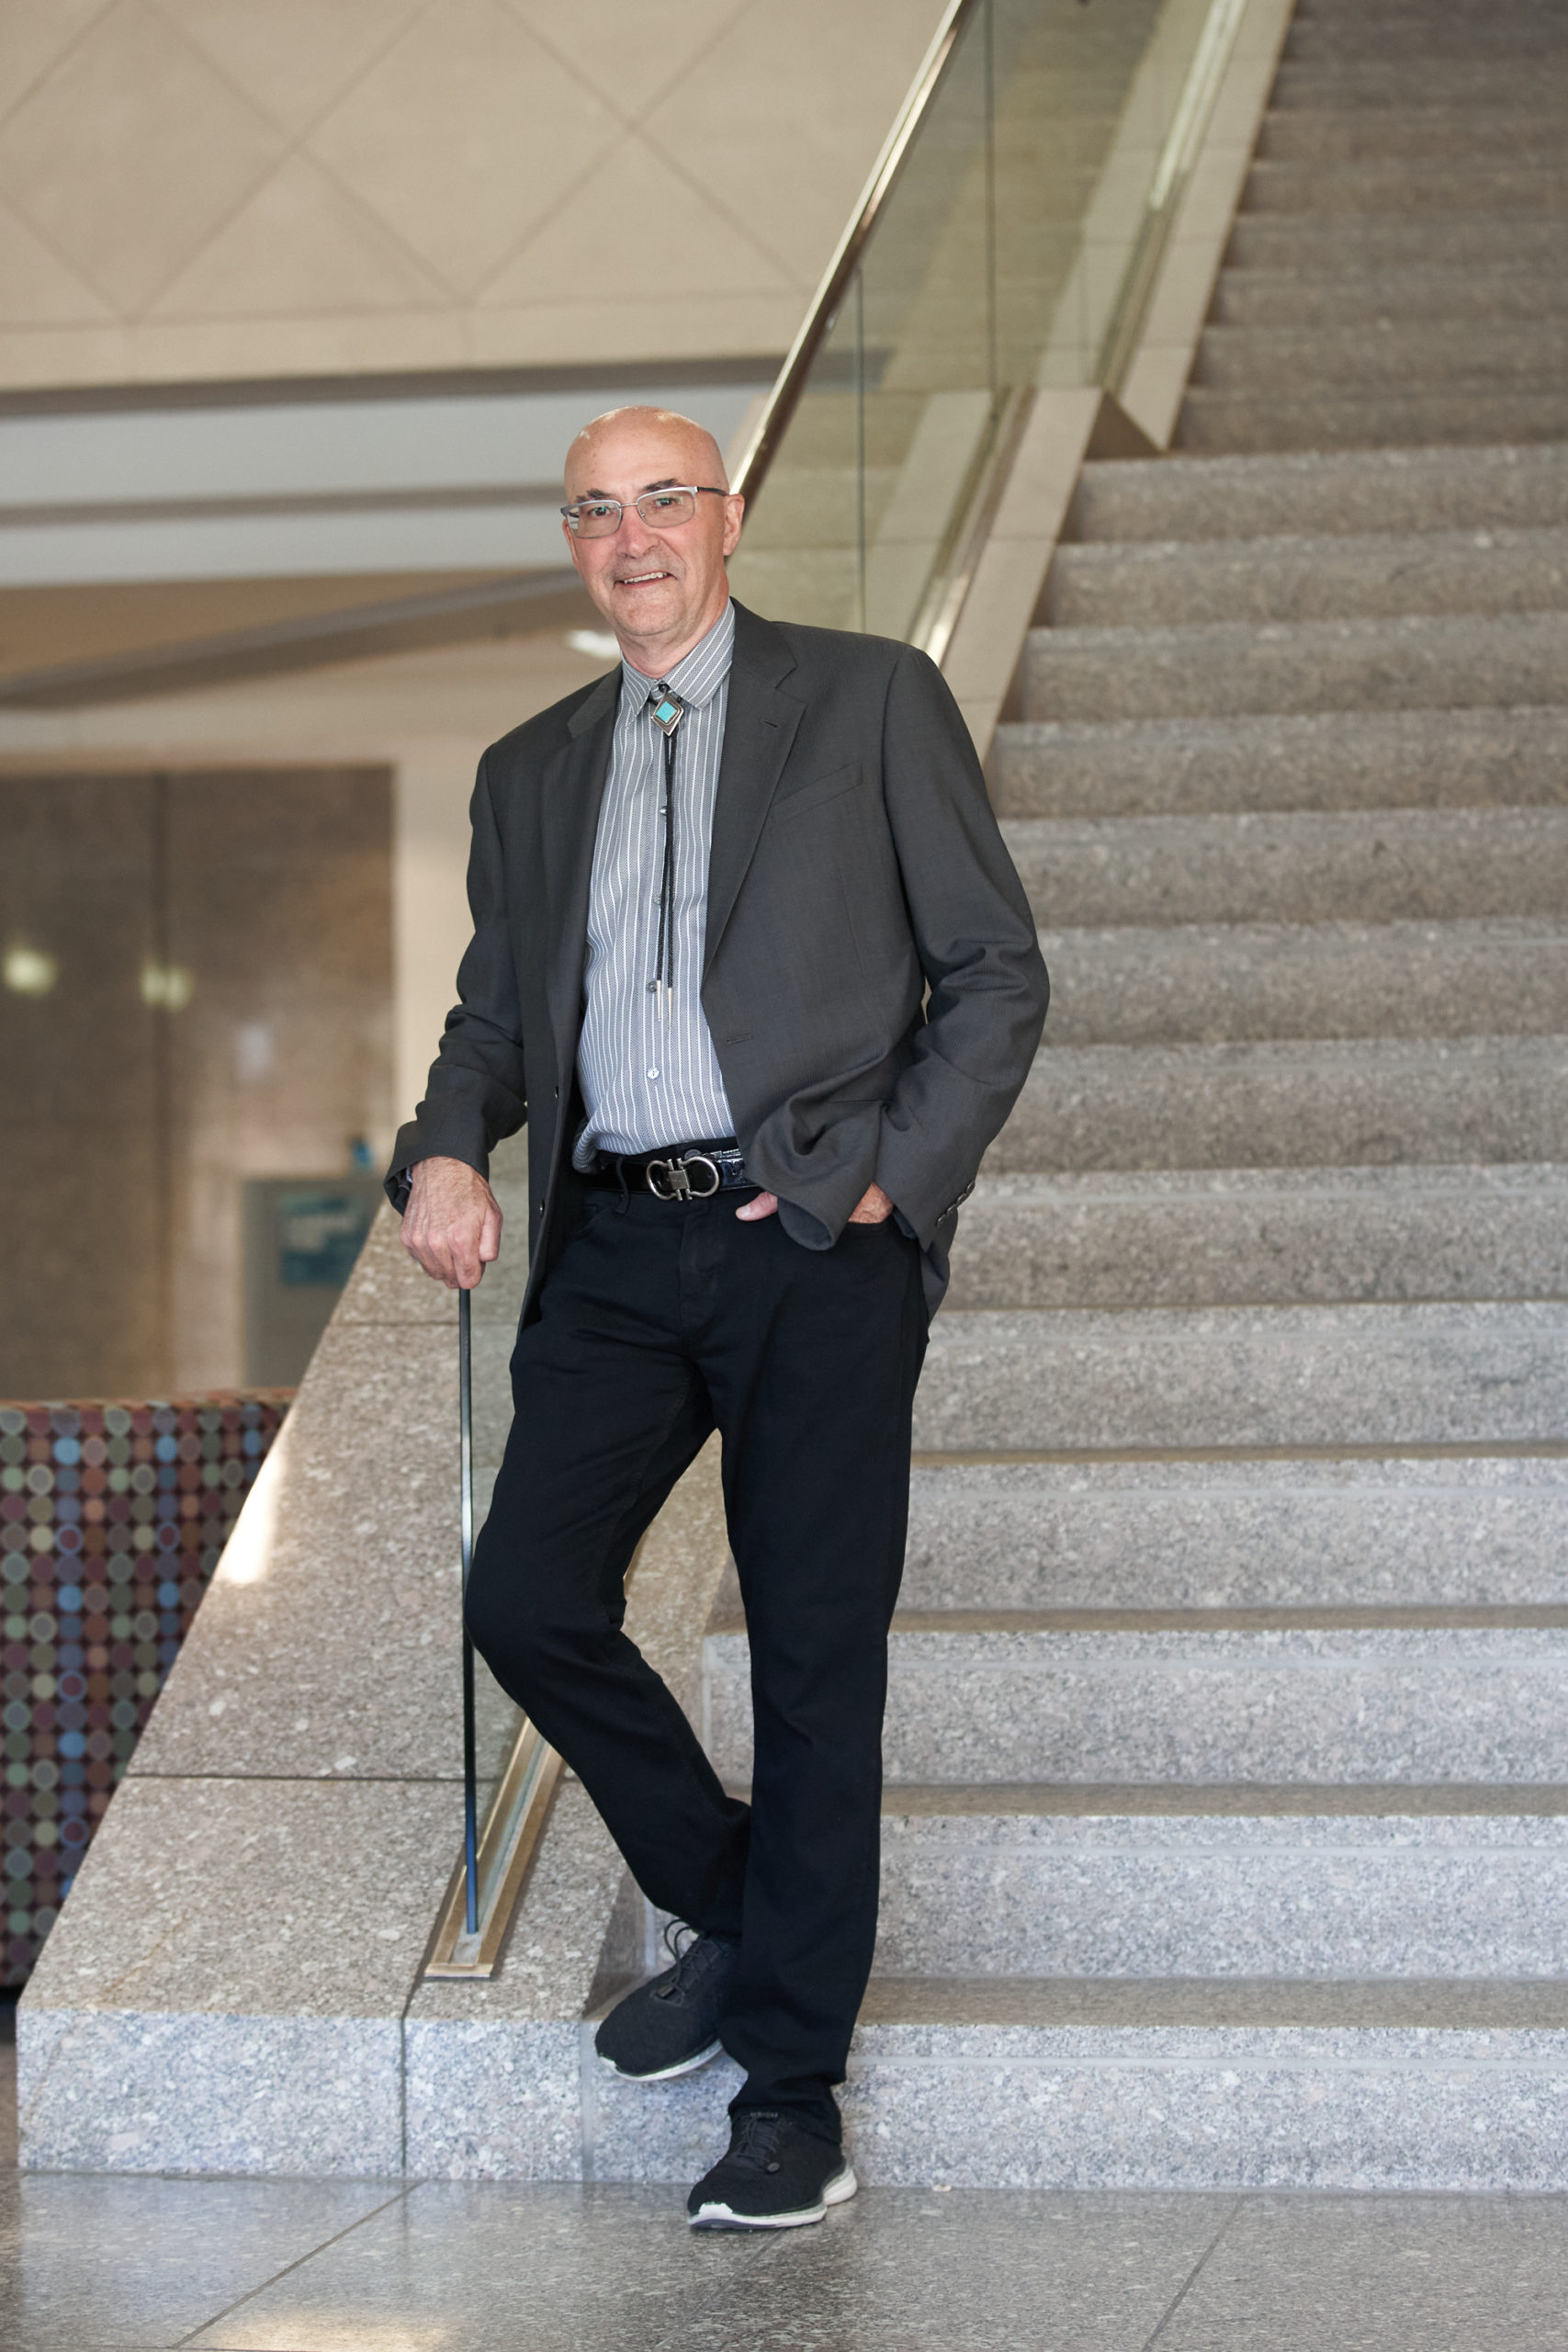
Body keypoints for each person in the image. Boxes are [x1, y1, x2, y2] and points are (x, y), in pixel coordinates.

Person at [390, 404, 1048, 2229]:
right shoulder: (531, 767)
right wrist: (440, 1153)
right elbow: (494, 1025)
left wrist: (878, 1178)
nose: (631, 537)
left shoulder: (869, 700)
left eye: (661, 499)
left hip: (807, 1241)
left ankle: (790, 2090)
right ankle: (752, 1905)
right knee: (521, 1591)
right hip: (611, 1245)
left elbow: (996, 972)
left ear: (726, 516)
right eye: (594, 512)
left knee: (815, 1655)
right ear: (576, 543)